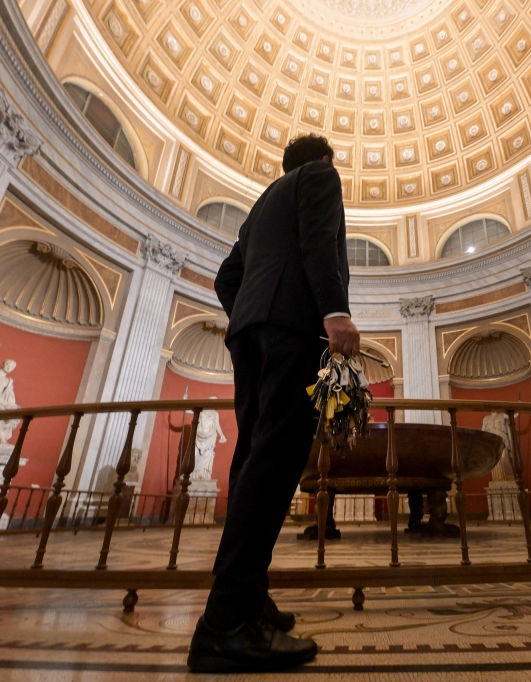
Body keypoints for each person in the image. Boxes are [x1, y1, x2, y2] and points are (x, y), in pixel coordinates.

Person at [187, 134, 360, 673]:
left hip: (251, 335)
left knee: (252, 461)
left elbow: (226, 278)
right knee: (277, 461)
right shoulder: (321, 179)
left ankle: (249, 597)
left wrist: (250, 315)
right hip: (293, 330)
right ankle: (226, 622)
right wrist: (332, 311)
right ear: (325, 161)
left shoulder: (262, 205)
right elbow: (316, 239)